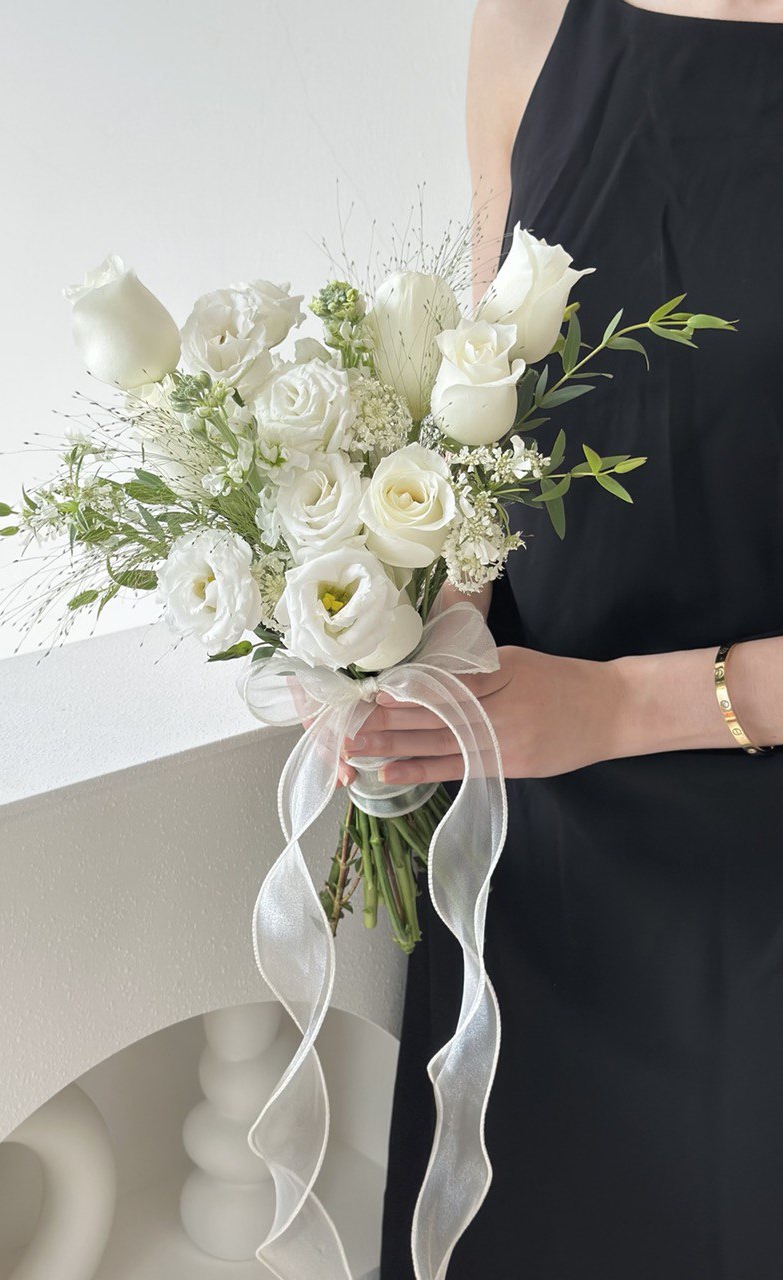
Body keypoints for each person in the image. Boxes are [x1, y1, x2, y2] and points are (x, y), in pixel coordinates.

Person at [364, 0, 783, 1274]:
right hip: (539, 867)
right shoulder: (528, 20)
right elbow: (487, 412)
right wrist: (422, 629)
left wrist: (611, 708)